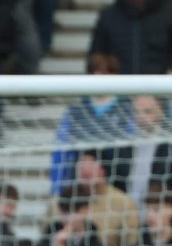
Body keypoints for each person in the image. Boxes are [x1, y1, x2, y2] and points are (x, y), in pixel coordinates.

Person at [50, 54, 133, 195]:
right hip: (80, 189)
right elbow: (61, 152)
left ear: (115, 75)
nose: (97, 77)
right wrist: (56, 190)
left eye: (104, 73)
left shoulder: (127, 109)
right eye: (94, 72)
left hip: (117, 188)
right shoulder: (76, 111)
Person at [89, 0, 172, 75]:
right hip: (119, 84)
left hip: (161, 84)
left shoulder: (168, 14)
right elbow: (97, 53)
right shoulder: (109, 16)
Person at [73, 149, 140, 246]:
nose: (85, 170)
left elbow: (131, 245)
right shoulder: (63, 200)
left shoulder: (123, 202)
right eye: (81, 165)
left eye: (91, 165)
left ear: (103, 169)